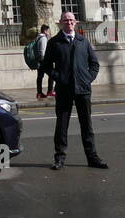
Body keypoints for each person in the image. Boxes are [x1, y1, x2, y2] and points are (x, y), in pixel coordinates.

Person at [40, 11, 108, 170]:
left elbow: (94, 64)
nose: (69, 22)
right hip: (64, 90)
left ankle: (92, 158)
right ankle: (59, 158)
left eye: (71, 20)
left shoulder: (83, 41)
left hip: (83, 90)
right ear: (60, 23)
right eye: (65, 20)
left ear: (75, 22)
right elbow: (46, 66)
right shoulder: (54, 42)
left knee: (87, 125)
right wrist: (59, 77)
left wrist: (87, 78)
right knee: (62, 125)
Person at [34, 25, 52, 99]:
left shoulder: (37, 37)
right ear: (45, 30)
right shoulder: (43, 38)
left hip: (39, 60)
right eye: (48, 31)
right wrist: (46, 60)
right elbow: (43, 51)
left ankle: (39, 93)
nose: (48, 32)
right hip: (43, 60)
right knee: (52, 75)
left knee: (40, 77)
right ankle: (50, 91)